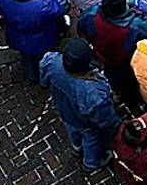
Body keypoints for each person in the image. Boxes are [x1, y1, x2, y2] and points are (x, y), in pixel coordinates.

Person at [41, 39, 118, 169]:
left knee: (71, 129)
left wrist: (44, 83)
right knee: (91, 139)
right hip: (84, 121)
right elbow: (105, 118)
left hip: (63, 110)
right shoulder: (92, 92)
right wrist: (116, 128)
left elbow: (43, 75)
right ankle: (91, 163)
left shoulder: (52, 61)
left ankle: (77, 148)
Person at [0, 0, 65, 83]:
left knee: (27, 58)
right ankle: (43, 77)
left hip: (16, 34)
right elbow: (57, 11)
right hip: (39, 39)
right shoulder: (40, 7)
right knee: (42, 58)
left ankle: (32, 76)